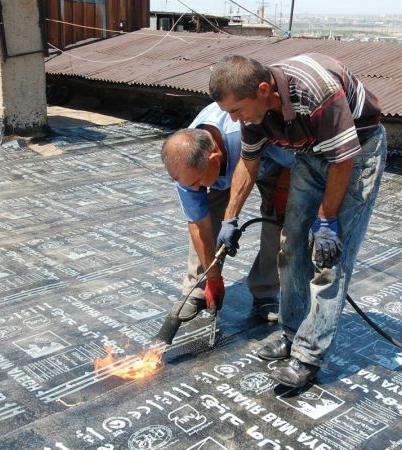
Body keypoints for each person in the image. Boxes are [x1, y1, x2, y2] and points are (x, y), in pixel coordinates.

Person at [209, 54, 387, 388]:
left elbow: (342, 161)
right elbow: (248, 162)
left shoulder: (315, 91)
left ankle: (308, 355)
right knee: (290, 246)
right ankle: (291, 332)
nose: (233, 119)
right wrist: (230, 218)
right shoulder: (253, 112)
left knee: (329, 257)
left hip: (357, 155)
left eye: (236, 110)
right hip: (310, 154)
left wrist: (326, 221)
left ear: (264, 90)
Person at [161, 102, 295, 323]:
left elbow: (295, 156)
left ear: (215, 159)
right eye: (189, 184)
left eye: (196, 182)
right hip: (227, 167)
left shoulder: (249, 127)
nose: (194, 189)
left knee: (279, 221)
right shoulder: (186, 166)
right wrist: (213, 277)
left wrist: (283, 187)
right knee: (208, 212)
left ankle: (266, 291)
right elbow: (198, 223)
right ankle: (198, 287)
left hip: (274, 163)